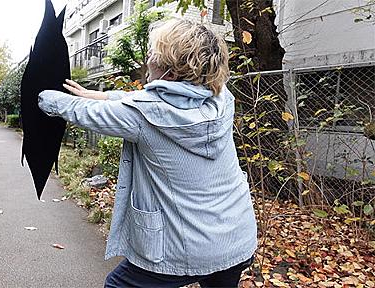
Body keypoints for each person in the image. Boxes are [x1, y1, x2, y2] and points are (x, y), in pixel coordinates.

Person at [38, 19, 257, 288]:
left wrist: (41, 93)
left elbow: (87, 112)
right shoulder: (222, 99)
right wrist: (105, 96)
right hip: (235, 238)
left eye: (154, 54)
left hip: (185, 246)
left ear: (172, 73)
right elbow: (158, 101)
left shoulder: (142, 115)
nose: (148, 58)